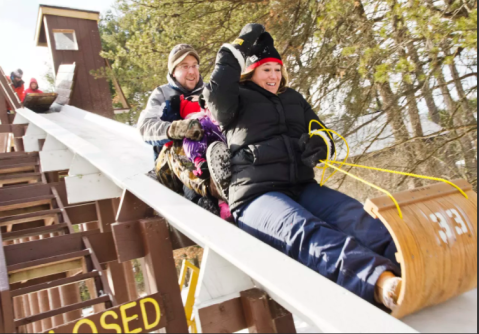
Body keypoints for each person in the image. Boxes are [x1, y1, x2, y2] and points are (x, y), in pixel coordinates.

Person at [204, 24, 402, 310]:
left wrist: (319, 146)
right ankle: (380, 282)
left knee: (353, 215)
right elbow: (216, 93)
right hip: (256, 196)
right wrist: (237, 45)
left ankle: (407, 259)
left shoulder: (293, 98)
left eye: (276, 69)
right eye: (265, 69)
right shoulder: (235, 100)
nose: (273, 76)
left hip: (301, 186)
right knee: (305, 230)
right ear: (250, 71)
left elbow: (322, 133)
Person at [138, 44, 219, 215]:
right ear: (173, 71)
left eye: (194, 66)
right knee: (181, 146)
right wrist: (175, 128)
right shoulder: (163, 94)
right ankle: (202, 201)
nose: (191, 71)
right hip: (172, 165)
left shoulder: (209, 92)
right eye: (184, 66)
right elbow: (145, 127)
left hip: (208, 159)